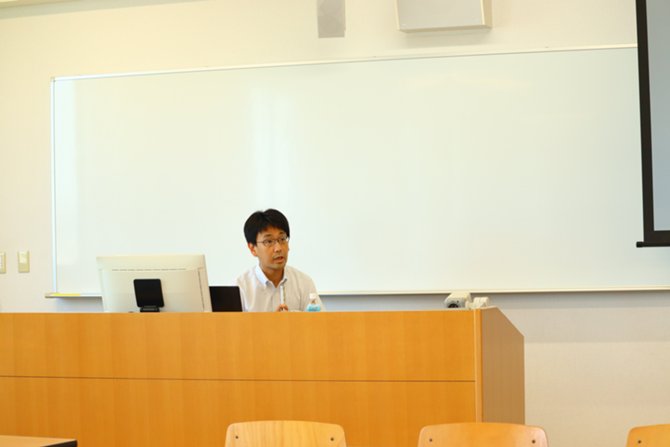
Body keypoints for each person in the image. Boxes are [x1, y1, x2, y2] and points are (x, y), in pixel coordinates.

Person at [236, 208, 324, 312]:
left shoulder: (304, 283)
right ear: (252, 249)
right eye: (269, 241)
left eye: (282, 239)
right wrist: (274, 321)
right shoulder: (241, 288)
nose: (278, 248)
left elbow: (321, 321)